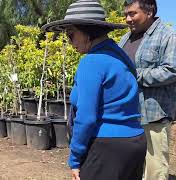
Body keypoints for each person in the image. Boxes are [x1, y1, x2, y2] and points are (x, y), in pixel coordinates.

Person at [42, 0, 147, 180]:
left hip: (108, 148)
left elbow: (86, 117)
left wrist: (75, 158)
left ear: (87, 32)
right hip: (135, 142)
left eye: (71, 35)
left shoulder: (92, 61)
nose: (70, 42)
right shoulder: (119, 54)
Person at [119, 0, 176, 179]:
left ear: (149, 12)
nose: (128, 19)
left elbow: (171, 70)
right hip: (127, 114)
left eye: (133, 14)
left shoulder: (167, 36)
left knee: (154, 168)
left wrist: (135, 75)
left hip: (153, 115)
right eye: (126, 14)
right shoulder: (125, 38)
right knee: (130, 164)